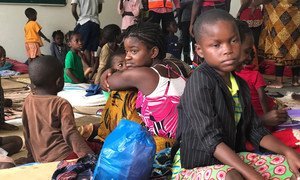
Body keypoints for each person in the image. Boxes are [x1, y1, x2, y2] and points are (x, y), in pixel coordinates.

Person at [173, 9, 300, 179]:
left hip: (230, 159)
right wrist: (253, 175)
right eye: (216, 45)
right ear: (200, 50)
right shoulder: (200, 81)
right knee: (233, 177)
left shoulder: (240, 84)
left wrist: (287, 152)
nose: (228, 50)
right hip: (197, 164)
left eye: (234, 41)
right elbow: (211, 140)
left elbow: (255, 130)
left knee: (291, 167)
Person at [100, 22, 189, 152]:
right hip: (185, 139)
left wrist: (106, 72)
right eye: (126, 51)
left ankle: (107, 141)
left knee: (121, 94)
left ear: (153, 52)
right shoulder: (174, 66)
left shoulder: (144, 74)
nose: (127, 57)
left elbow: (109, 83)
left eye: (134, 51)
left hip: (165, 146)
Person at [235, 20, 300, 153]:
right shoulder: (208, 84)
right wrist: (265, 117)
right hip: (242, 141)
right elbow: (226, 129)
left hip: (253, 131)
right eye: (246, 52)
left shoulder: (237, 78)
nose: (248, 58)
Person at [18, 56, 95, 164]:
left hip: (39, 157)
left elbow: (26, 131)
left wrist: (31, 155)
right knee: (96, 147)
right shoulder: (61, 104)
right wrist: (88, 157)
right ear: (59, 81)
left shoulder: (28, 100)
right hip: (63, 156)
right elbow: (70, 133)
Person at [255, 0, 300, 88]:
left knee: (279, 44)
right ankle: (296, 79)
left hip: (279, 11)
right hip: (296, 11)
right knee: (295, 45)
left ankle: (279, 81)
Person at [71, 0, 104, 67]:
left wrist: (78, 19)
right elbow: (99, 10)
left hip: (84, 22)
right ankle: (91, 71)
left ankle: (86, 70)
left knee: (82, 48)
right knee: (91, 49)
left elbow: (73, 10)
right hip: (95, 23)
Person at [178, 0, 193, 65]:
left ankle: (192, 59)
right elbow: (180, 6)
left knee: (193, 41)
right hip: (185, 20)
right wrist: (179, 21)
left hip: (194, 20)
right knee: (185, 41)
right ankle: (185, 59)